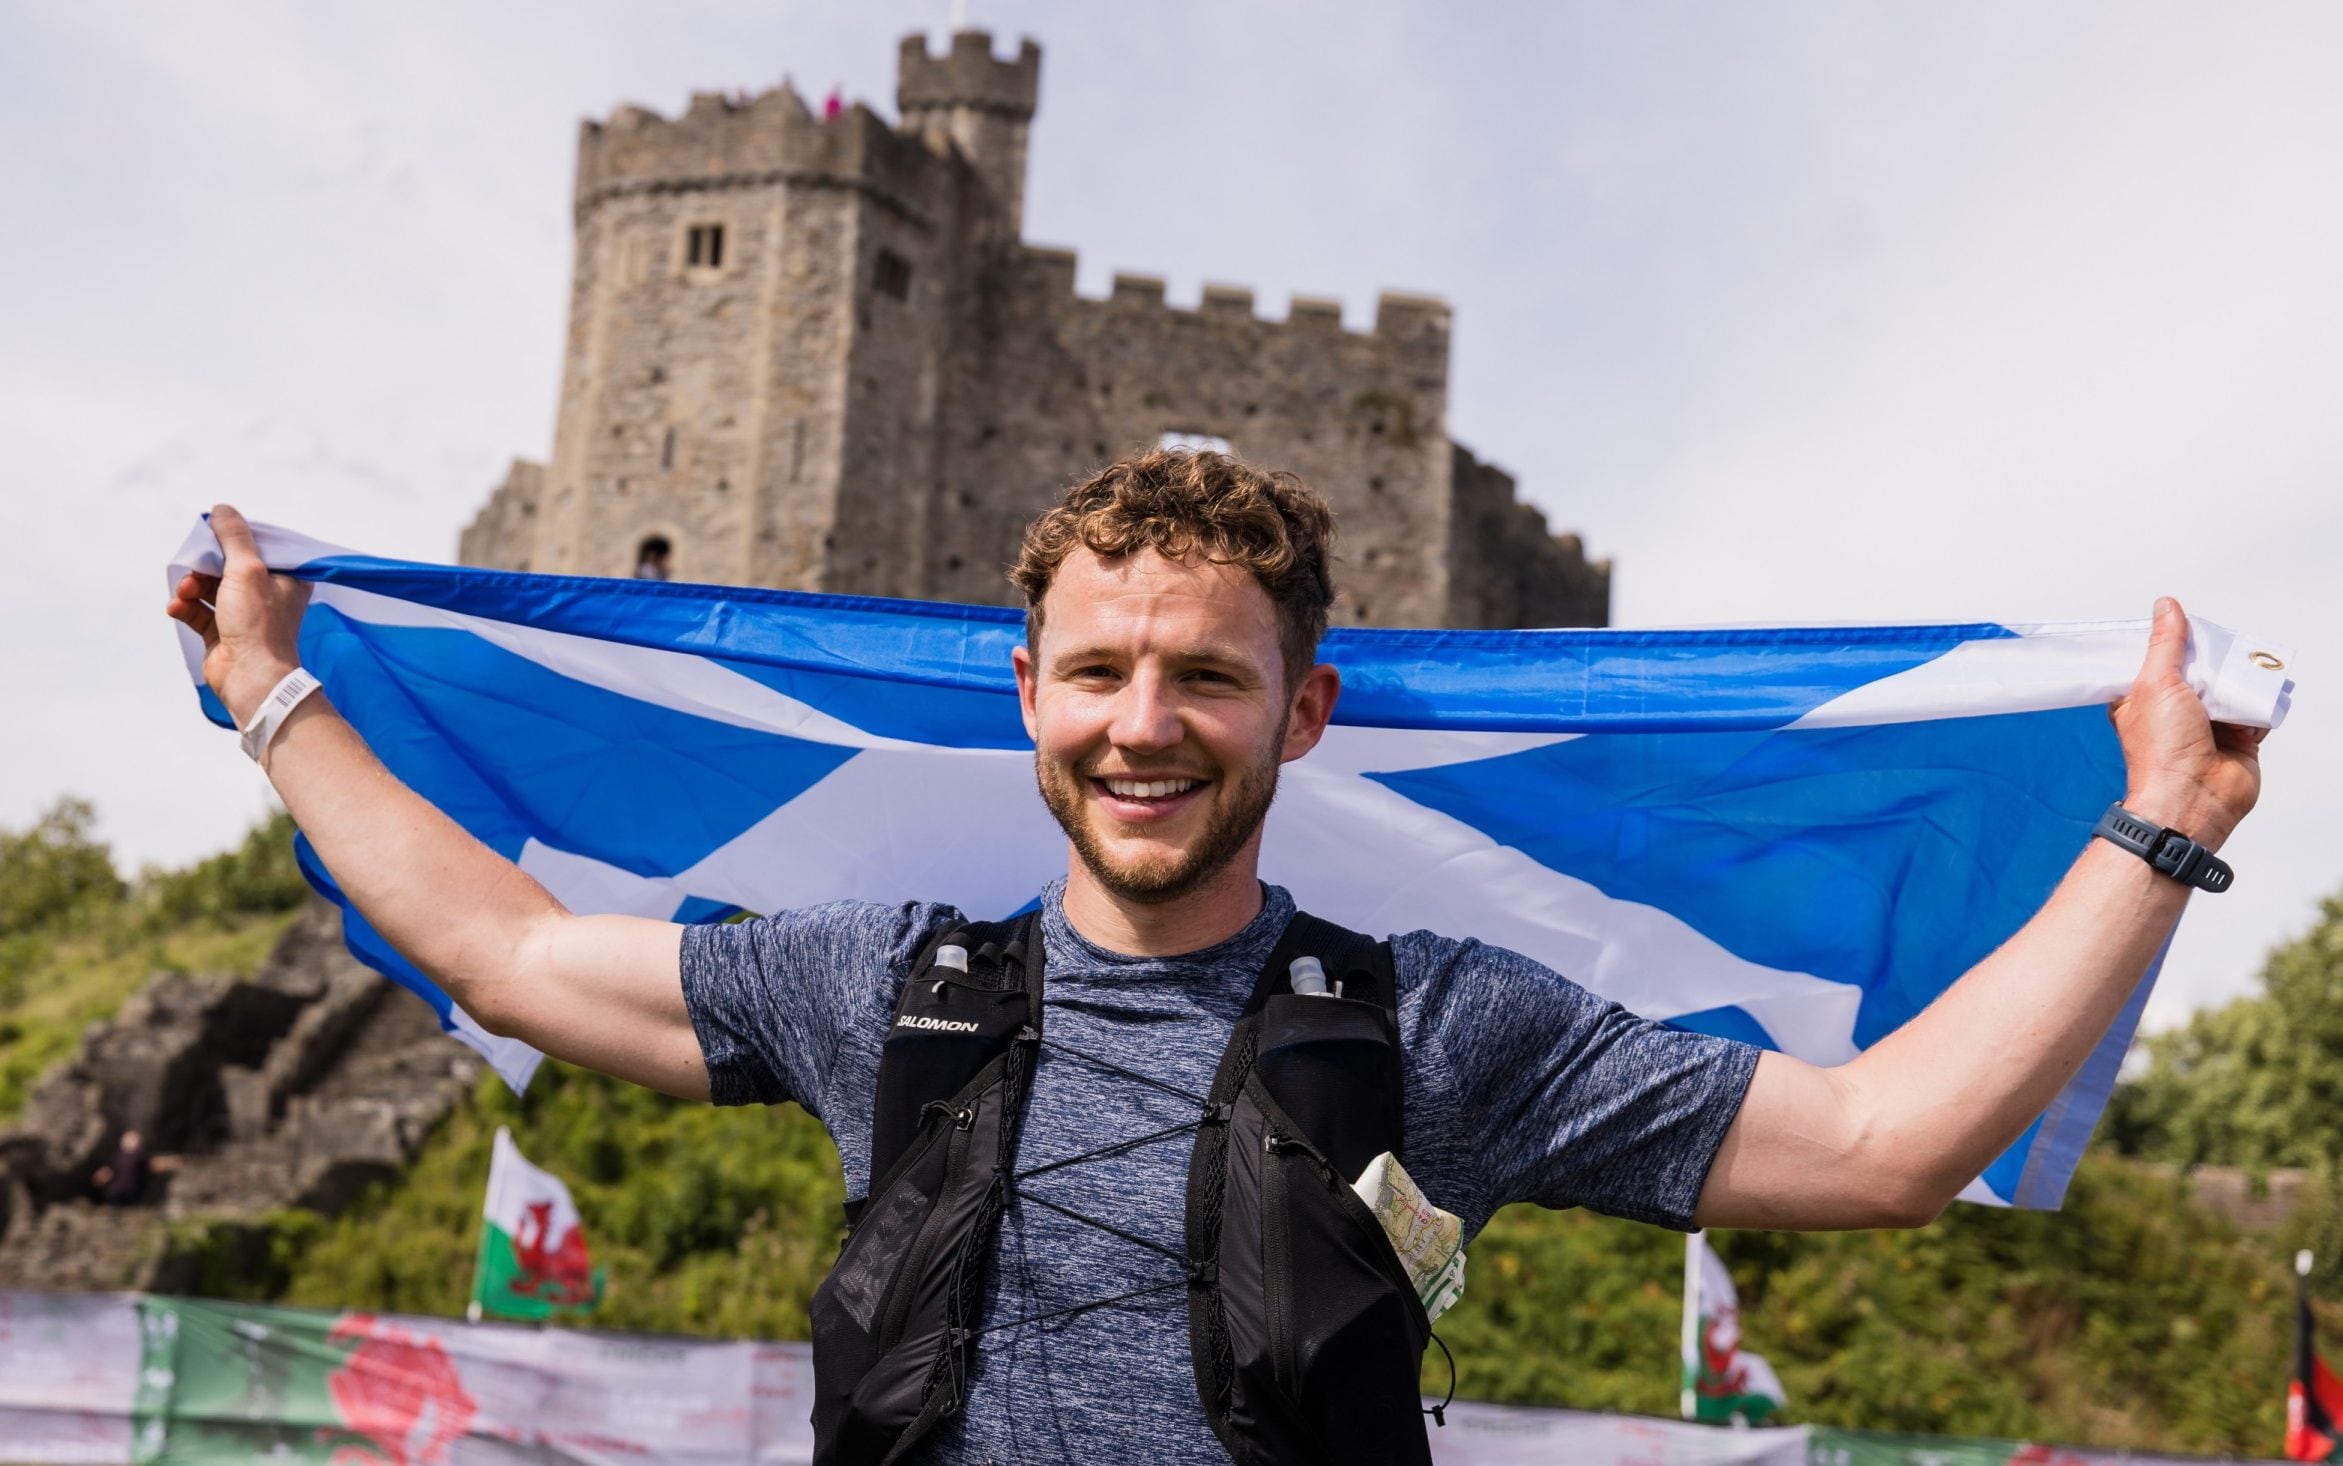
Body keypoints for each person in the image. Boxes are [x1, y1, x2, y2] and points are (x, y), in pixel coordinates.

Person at [167, 451, 2262, 1464]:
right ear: (1026, 695)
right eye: (1097, 671)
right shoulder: (877, 986)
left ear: (1301, 711)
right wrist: (273, 696)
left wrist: (2156, 829)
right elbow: (510, 950)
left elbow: (1884, 1140)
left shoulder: (1442, 1023)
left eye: (1203, 676)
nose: (1142, 724)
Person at [91, 1129, 179, 1207]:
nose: (130, 1141)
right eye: (128, 1138)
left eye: (133, 1139)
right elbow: (107, 1171)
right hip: (115, 1191)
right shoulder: (117, 1156)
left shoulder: (140, 1154)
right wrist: (99, 1177)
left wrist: (169, 1162)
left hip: (130, 1192)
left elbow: (153, 1163)